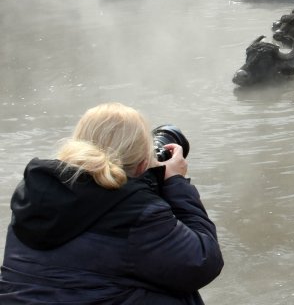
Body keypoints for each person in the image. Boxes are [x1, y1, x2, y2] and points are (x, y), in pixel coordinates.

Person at [0, 102, 223, 303]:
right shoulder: (135, 210)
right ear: (142, 164)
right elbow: (203, 262)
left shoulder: (34, 192)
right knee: (180, 295)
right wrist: (175, 182)